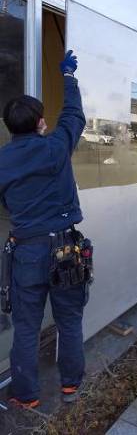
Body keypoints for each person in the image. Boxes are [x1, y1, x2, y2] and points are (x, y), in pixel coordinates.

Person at [0, 50, 86, 408]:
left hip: (28, 251)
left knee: (26, 326)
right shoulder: (55, 147)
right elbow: (74, 116)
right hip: (66, 248)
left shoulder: (3, 160)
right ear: (39, 123)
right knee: (68, 320)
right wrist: (68, 77)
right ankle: (70, 386)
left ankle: (26, 395)